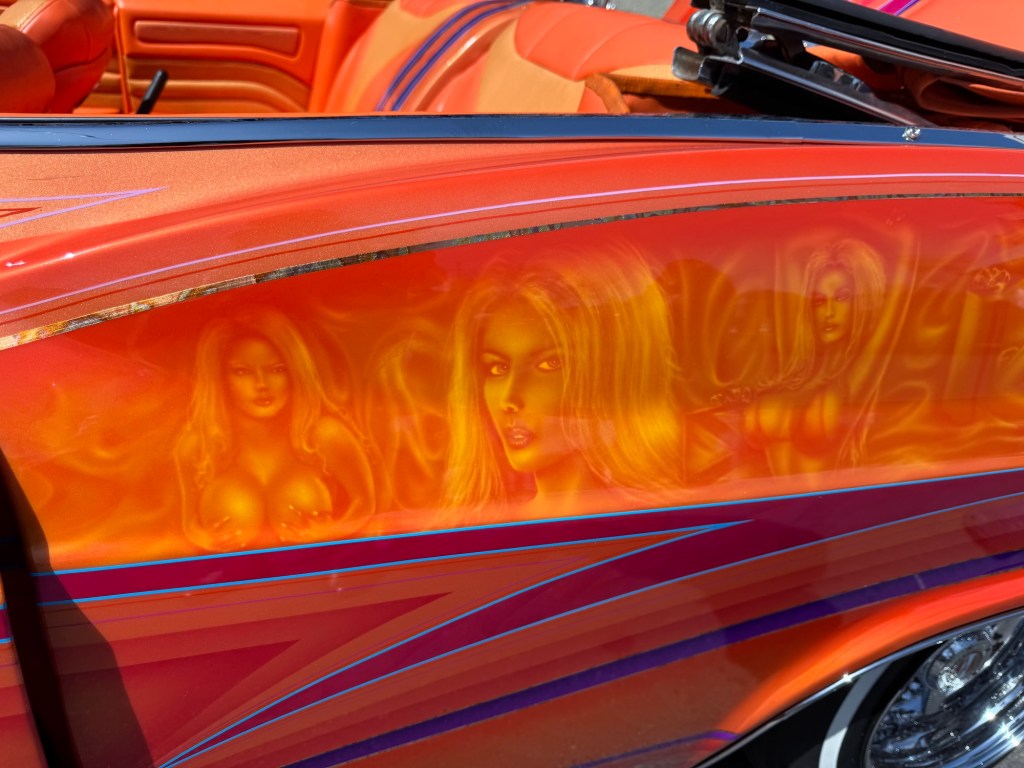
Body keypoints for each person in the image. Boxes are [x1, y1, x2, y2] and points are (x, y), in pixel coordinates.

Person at [444, 244, 682, 522]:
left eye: (549, 364)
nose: (510, 399)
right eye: (498, 368)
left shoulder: (666, 521)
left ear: (608, 374)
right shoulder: (472, 529)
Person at [175, 307, 375, 550]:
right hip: (235, 575)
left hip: (324, 572)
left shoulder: (325, 435)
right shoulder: (197, 445)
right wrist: (206, 540)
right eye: (242, 372)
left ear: (295, 372)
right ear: (220, 379)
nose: (261, 384)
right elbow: (189, 525)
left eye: (276, 369)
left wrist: (330, 532)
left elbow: (366, 503)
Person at [744, 239, 887, 475]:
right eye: (819, 301)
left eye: (841, 298)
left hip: (842, 498)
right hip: (769, 498)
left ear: (864, 303)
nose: (828, 312)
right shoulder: (792, 378)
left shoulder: (864, 380)